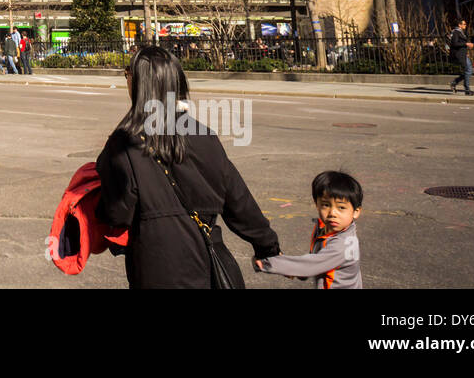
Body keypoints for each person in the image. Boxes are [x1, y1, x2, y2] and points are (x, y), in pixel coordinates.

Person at [94, 45, 279, 288]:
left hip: (156, 267)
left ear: (141, 84)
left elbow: (117, 212)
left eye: (128, 73)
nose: (126, 80)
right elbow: (238, 200)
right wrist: (267, 246)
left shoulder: (124, 143)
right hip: (206, 262)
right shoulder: (205, 137)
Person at [256, 171, 363, 289]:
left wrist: (268, 263)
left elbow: (312, 264)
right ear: (317, 204)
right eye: (326, 205)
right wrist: (299, 272)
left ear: (356, 212)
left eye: (341, 207)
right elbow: (314, 258)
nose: (332, 213)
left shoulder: (342, 245)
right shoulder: (325, 228)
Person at [448, 19, 474, 95]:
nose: (465, 25)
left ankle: (455, 83)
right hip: (458, 54)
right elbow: (455, 43)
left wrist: (466, 49)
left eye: (465, 24)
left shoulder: (462, 32)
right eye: (464, 24)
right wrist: (466, 44)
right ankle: (467, 90)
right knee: (469, 70)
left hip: (463, 54)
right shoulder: (456, 32)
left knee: (468, 70)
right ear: (459, 25)